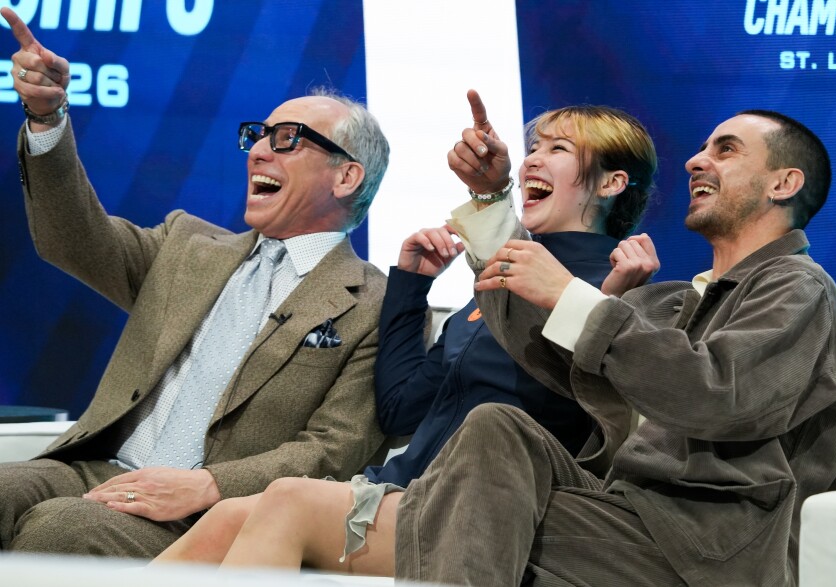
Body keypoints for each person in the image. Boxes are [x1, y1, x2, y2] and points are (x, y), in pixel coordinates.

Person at [150, 90, 660, 573]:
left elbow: (590, 408)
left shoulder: (620, 295)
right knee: (227, 518)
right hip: (399, 490)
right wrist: (411, 286)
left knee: (287, 499)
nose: (531, 160)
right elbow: (401, 406)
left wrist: (599, 302)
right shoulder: (494, 292)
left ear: (612, 183)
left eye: (558, 149)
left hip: (480, 513)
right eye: (532, 148)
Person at [394, 109, 836, 586]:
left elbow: (719, 394)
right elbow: (544, 348)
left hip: (711, 551)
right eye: (701, 148)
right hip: (625, 515)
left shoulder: (799, 287)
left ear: (782, 184)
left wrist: (571, 297)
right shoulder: (674, 301)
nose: (695, 162)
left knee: (451, 513)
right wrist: (493, 197)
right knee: (496, 429)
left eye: (725, 149)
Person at [0, 7, 390, 558]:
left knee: (58, 531)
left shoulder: (374, 304)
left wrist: (209, 486)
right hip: (98, 469)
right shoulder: (187, 247)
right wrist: (47, 119)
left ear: (347, 176)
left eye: (286, 140)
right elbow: (74, 238)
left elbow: (336, 448)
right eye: (257, 136)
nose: (257, 150)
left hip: (209, 514)